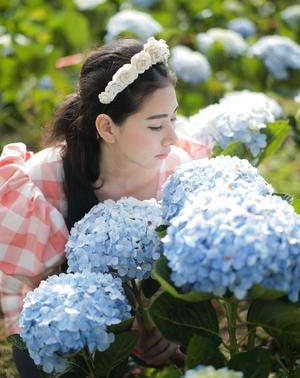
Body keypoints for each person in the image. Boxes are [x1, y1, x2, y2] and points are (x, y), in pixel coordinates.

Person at [0, 37, 209, 377]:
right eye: (156, 125)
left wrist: (160, 321)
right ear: (107, 127)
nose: (172, 136)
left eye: (174, 118)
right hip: (67, 318)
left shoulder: (177, 171)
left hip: (149, 307)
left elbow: (187, 272)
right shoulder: (43, 179)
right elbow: (32, 287)